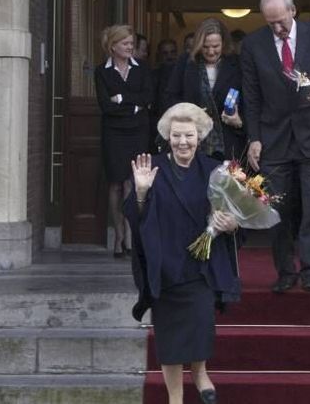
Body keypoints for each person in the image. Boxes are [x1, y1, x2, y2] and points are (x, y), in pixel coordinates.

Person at [124, 103, 240, 404]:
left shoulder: (214, 170)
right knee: (170, 342)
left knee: (201, 326)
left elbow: (234, 216)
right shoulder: (154, 168)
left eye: (188, 135)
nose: (182, 142)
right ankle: (175, 398)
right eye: (176, 136)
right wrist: (140, 193)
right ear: (168, 137)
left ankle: (200, 373)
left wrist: (230, 225)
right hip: (166, 268)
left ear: (199, 137)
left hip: (201, 268)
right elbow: (135, 218)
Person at [240, 0, 310, 293]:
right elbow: (251, 96)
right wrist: (254, 138)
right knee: (277, 208)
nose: (277, 29)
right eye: (271, 24)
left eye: (281, 22)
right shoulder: (253, 45)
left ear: (293, 11)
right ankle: (284, 270)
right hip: (274, 138)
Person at [95, 24, 154, 258]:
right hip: (113, 133)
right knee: (116, 184)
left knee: (132, 182)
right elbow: (105, 106)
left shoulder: (142, 69)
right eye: (126, 44)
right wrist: (133, 106)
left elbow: (148, 97)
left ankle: (130, 235)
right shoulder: (102, 72)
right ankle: (118, 235)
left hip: (138, 132)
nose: (131, 47)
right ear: (113, 46)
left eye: (131, 43)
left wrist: (121, 98)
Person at [165, 18, 246, 161]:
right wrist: (188, 112)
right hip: (192, 140)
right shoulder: (186, 62)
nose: (210, 51)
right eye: (205, 46)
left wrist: (239, 120)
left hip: (228, 141)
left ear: (224, 44)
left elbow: (250, 101)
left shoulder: (237, 64)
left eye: (216, 46)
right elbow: (171, 97)